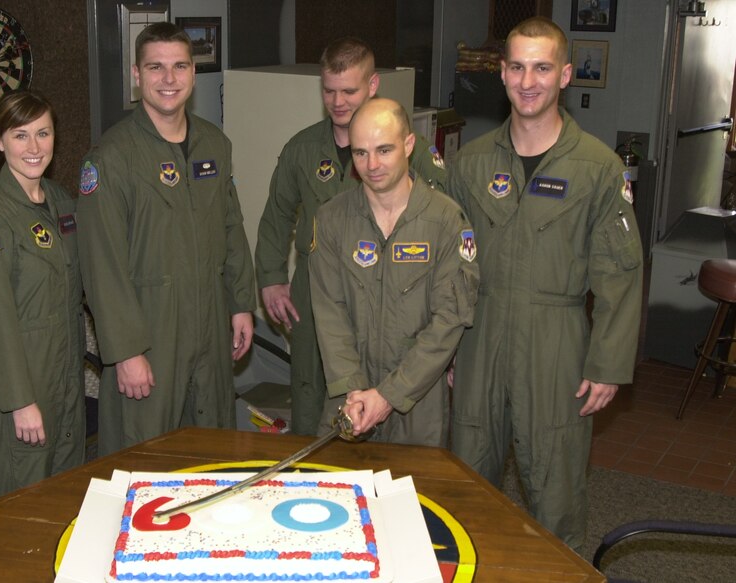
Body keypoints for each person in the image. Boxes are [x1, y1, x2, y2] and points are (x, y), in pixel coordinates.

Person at [447, 17, 643, 550]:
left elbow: (620, 273)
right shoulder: (471, 162)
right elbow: (449, 266)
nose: (527, 81)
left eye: (541, 67)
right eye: (516, 67)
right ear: (502, 73)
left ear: (564, 74)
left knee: (556, 491)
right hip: (479, 336)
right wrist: (444, 350)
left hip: (555, 343)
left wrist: (607, 363)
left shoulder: (597, 168)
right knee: (465, 488)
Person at [76, 22, 256, 455]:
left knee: (211, 440)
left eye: (179, 66)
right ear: (137, 75)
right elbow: (102, 265)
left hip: (210, 319)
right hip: (150, 328)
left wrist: (241, 304)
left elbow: (231, 226)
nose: (169, 79)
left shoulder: (215, 143)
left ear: (194, 72)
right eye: (155, 67)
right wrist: (125, 351)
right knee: (146, 451)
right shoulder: (112, 157)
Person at [256, 37, 449, 436]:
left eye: (349, 91)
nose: (338, 101)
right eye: (329, 90)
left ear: (373, 85)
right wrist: (272, 278)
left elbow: (445, 225)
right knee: (311, 393)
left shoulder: (412, 152)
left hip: (391, 293)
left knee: (394, 405)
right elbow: (276, 215)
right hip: (317, 293)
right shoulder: (303, 148)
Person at [308, 97, 479, 446]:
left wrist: (389, 395)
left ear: (409, 144)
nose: (372, 165)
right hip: (348, 398)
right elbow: (329, 313)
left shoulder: (446, 222)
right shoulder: (331, 220)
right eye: (360, 153)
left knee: (416, 497)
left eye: (384, 150)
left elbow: (448, 320)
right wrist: (355, 392)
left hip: (417, 400)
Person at [0, 90, 85, 496]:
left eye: (43, 133)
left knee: (66, 490)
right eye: (20, 135)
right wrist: (19, 401)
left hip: (65, 372)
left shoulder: (61, 200)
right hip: (24, 382)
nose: (34, 147)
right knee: (24, 497)